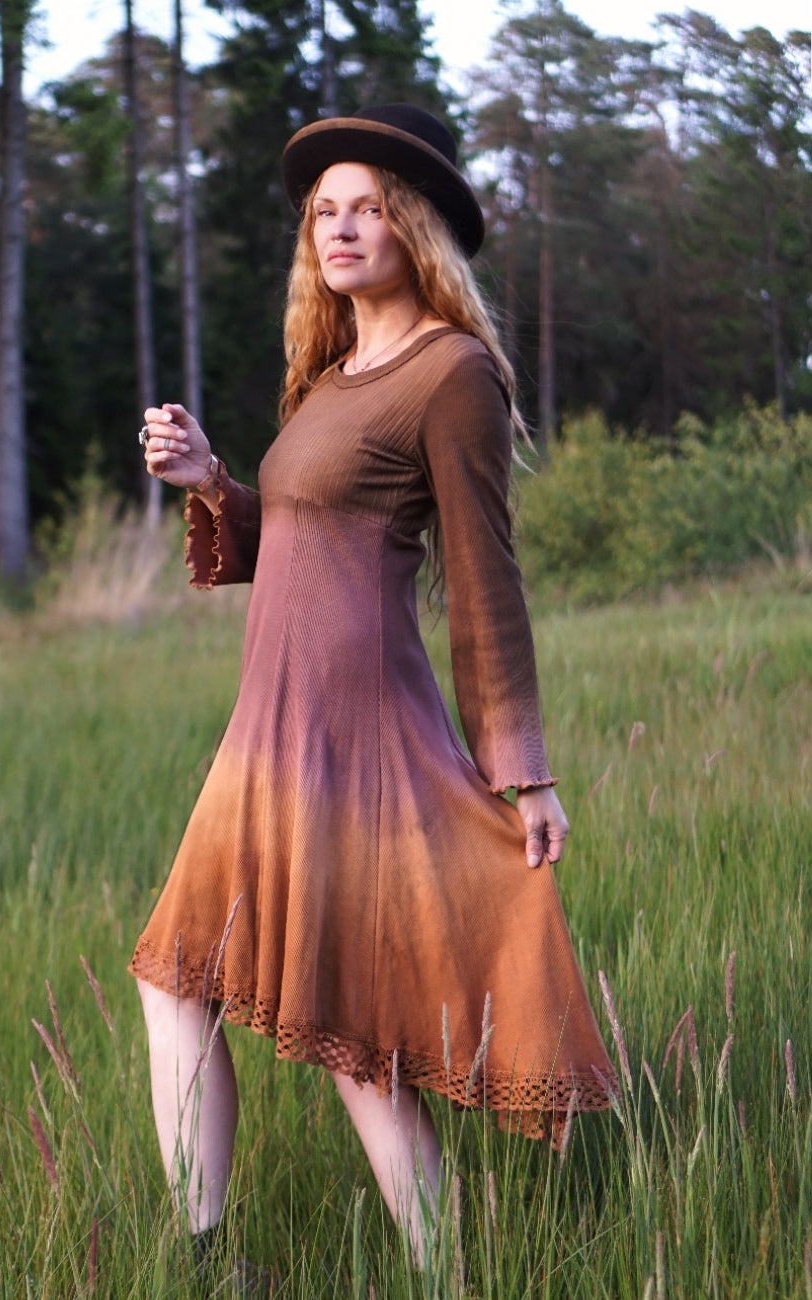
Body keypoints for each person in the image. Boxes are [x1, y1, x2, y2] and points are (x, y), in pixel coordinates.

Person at [128, 104, 615, 1274]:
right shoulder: (332, 377)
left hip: (361, 735)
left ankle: (449, 1270)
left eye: (366, 208)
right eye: (323, 213)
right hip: (268, 732)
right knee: (177, 976)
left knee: (355, 1040)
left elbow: (487, 583)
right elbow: (296, 543)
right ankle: (207, 1261)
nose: (340, 229)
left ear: (414, 227)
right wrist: (211, 482)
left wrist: (523, 768)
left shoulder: (452, 376)